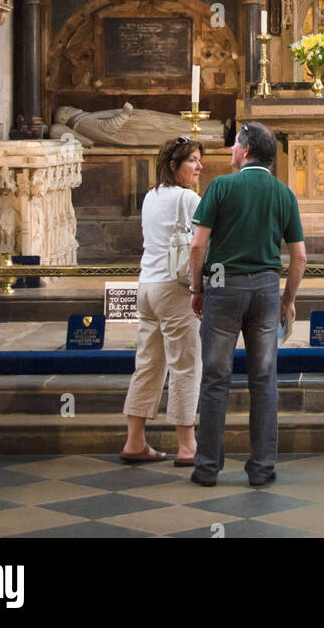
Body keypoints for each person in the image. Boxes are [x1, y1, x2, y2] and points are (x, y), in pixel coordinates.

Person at [189, 121, 306, 487]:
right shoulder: (284, 193)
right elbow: (299, 256)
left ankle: (207, 467)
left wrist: (198, 288)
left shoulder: (221, 186)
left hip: (223, 287)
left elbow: (197, 245)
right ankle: (261, 468)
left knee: (215, 378)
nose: (231, 151)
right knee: (264, 380)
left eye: (234, 145)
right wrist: (288, 299)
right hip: (267, 290)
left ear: (246, 150)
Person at [120, 137, 203, 465]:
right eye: (192, 161)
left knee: (148, 364)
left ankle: (135, 441)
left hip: (147, 286)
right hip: (175, 288)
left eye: (199, 160)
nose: (198, 167)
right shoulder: (188, 198)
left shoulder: (150, 196)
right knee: (185, 365)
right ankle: (188, 446)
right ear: (173, 165)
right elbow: (200, 246)